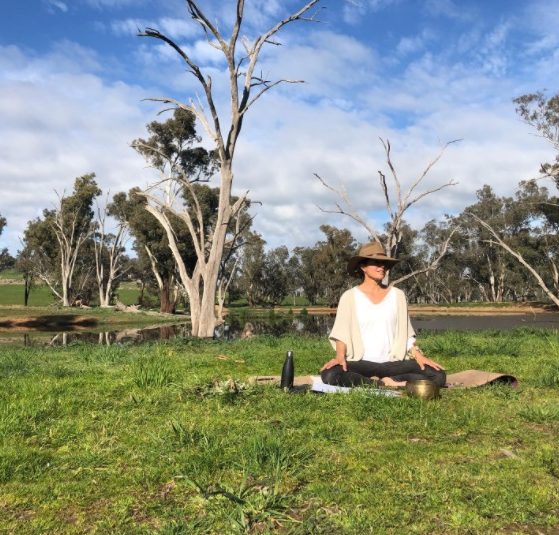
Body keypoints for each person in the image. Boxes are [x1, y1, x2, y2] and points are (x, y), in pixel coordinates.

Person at [320, 241, 446, 388]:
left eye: (384, 264)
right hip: (361, 362)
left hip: (393, 363)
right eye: (376, 263)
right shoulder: (349, 297)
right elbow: (341, 334)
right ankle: (381, 383)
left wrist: (419, 356)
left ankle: (388, 381)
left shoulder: (398, 295)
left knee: (438, 375)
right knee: (330, 374)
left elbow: (406, 334)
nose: (382, 267)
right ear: (363, 267)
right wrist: (339, 357)